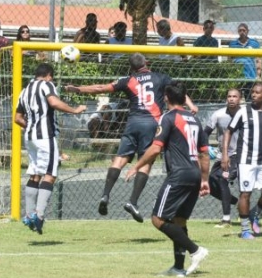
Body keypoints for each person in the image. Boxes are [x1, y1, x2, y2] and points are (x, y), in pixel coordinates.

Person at [64, 53, 198, 222]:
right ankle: (133, 201)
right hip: (152, 123)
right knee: (146, 162)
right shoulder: (160, 77)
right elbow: (178, 89)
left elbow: (100, 88)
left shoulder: (127, 80)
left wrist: (78, 89)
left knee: (120, 158)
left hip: (133, 122)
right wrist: (192, 105)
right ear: (146, 63)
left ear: (131, 68)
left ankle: (105, 195)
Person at [125, 81, 210, 277]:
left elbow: (155, 148)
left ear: (166, 98)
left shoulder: (168, 117)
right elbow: (204, 153)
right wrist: (204, 179)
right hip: (195, 173)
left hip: (179, 174)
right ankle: (179, 268)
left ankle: (196, 250)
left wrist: (136, 166)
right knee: (179, 221)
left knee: (157, 219)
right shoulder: (195, 119)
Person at [14, 63, 87, 234]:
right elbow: (53, 102)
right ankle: (38, 216)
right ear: (48, 75)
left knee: (35, 174)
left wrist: (31, 125)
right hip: (45, 136)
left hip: (30, 137)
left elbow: (18, 118)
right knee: (50, 175)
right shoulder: (47, 85)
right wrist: (75, 110)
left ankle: (28, 214)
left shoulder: (24, 91)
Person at [221, 82, 262, 239]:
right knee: (245, 194)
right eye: (252, 92)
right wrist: (225, 154)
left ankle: (255, 212)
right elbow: (229, 131)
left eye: (257, 93)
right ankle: (245, 230)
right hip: (245, 161)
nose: (254, 95)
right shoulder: (243, 112)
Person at [204, 88, 241, 228]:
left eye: (235, 96)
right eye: (229, 96)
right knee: (210, 185)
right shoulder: (218, 115)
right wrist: (205, 148)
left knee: (223, 179)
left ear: (240, 99)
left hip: (239, 156)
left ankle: (226, 219)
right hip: (222, 156)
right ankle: (237, 203)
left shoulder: (246, 115)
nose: (231, 99)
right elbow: (205, 133)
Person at [228, 23, 261, 99]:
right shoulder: (233, 44)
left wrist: (258, 75)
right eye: (240, 30)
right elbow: (229, 60)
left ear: (247, 31)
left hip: (251, 76)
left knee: (249, 98)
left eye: (244, 30)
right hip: (237, 76)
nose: (242, 32)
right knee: (236, 98)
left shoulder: (254, 43)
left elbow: (258, 60)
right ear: (238, 31)